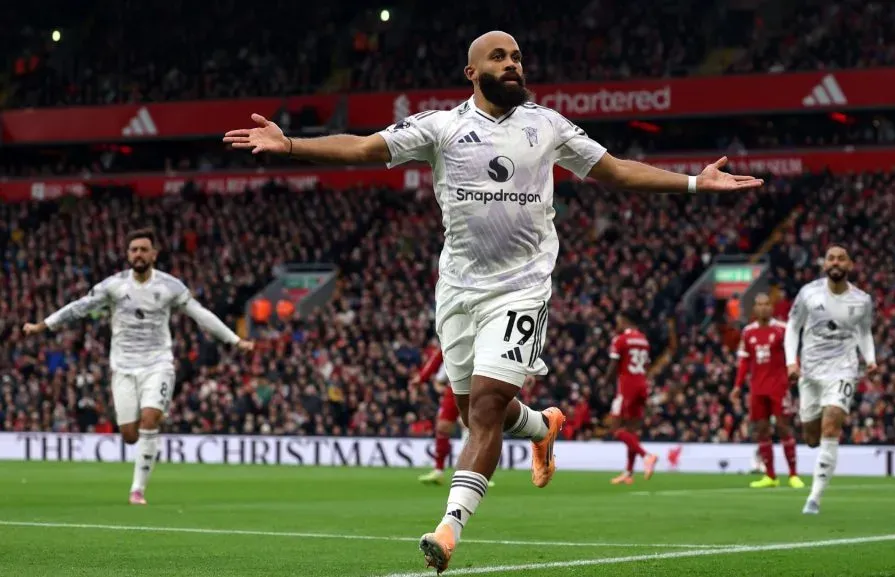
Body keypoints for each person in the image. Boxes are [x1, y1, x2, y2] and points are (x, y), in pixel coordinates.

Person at [224, 30, 763, 574]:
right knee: (478, 412)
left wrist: (694, 183)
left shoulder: (547, 125)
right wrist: (292, 145)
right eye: (499, 57)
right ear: (472, 72)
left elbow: (616, 169)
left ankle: (449, 528)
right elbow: (365, 146)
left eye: (517, 58)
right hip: (458, 290)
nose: (512, 65)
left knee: (482, 409)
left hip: (523, 288)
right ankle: (540, 426)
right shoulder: (442, 126)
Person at [23, 228, 253, 504]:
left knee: (149, 419)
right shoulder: (114, 286)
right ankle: (148, 432)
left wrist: (235, 340)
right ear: (128, 255)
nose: (139, 254)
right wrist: (44, 325)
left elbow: (201, 315)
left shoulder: (170, 287)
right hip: (123, 367)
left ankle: (137, 490)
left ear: (154, 254)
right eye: (134, 250)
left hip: (158, 363)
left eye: (144, 249)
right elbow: (79, 307)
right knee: (130, 435)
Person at [784, 245, 876, 515]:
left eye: (841, 258)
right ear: (824, 264)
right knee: (811, 438)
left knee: (832, 422)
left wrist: (869, 359)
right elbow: (792, 327)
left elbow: (864, 332)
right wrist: (791, 361)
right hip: (810, 372)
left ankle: (814, 498)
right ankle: (820, 447)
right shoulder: (808, 293)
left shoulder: (862, 300)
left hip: (843, 368)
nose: (836, 262)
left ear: (850, 264)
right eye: (831, 258)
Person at [734, 293, 802, 489]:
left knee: (783, 427)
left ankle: (793, 474)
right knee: (762, 430)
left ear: (771, 308)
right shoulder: (747, 332)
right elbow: (744, 361)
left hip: (778, 388)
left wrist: (795, 368)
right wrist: (737, 386)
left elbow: (792, 354)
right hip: (757, 389)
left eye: (766, 304)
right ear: (754, 309)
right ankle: (770, 476)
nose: (763, 308)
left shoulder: (782, 329)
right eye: (759, 305)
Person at [413, 344, 495, 488]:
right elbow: (438, 357)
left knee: (477, 428)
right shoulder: (452, 334)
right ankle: (438, 471)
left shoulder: (484, 333)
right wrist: (421, 378)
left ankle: (478, 473)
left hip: (480, 386)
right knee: (443, 426)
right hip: (455, 386)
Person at [605, 310, 657, 484]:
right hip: (642, 385)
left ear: (624, 320)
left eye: (618, 321)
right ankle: (628, 472)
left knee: (615, 428)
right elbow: (646, 365)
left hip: (627, 387)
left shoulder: (621, 340)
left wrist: (604, 383)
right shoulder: (644, 340)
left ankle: (646, 456)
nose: (617, 325)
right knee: (632, 432)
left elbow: (614, 365)